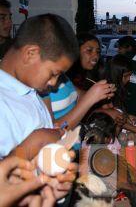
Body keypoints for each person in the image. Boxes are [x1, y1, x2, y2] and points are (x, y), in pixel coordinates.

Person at [0, 14, 78, 202]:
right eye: (54, 73)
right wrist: (37, 141)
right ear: (31, 54)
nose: (53, 83)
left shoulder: (31, 90)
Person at [42, 32, 116, 130]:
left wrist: (102, 94)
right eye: (89, 50)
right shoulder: (42, 84)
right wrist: (91, 98)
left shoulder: (64, 77)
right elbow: (51, 131)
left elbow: (79, 95)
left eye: (98, 52)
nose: (95, 56)